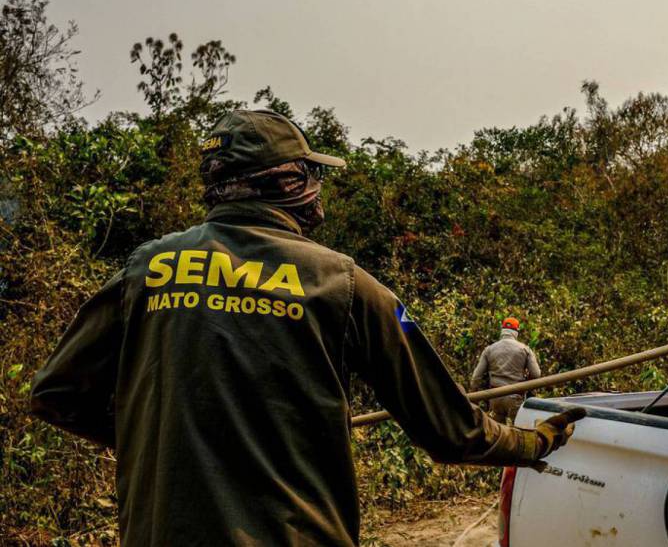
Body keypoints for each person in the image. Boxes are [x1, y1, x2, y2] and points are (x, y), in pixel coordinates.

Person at [30, 109, 584, 546]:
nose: (319, 190)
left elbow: (56, 394)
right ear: (288, 181)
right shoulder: (344, 285)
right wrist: (533, 442)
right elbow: (451, 431)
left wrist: (166, 436)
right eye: (312, 175)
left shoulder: (147, 269)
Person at [470, 316, 542, 424]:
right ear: (516, 332)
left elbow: (476, 377)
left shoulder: (489, 349)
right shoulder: (524, 349)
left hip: (495, 397)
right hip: (515, 397)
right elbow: (536, 374)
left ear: (502, 331)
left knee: (497, 432)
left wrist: (474, 397)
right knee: (518, 431)